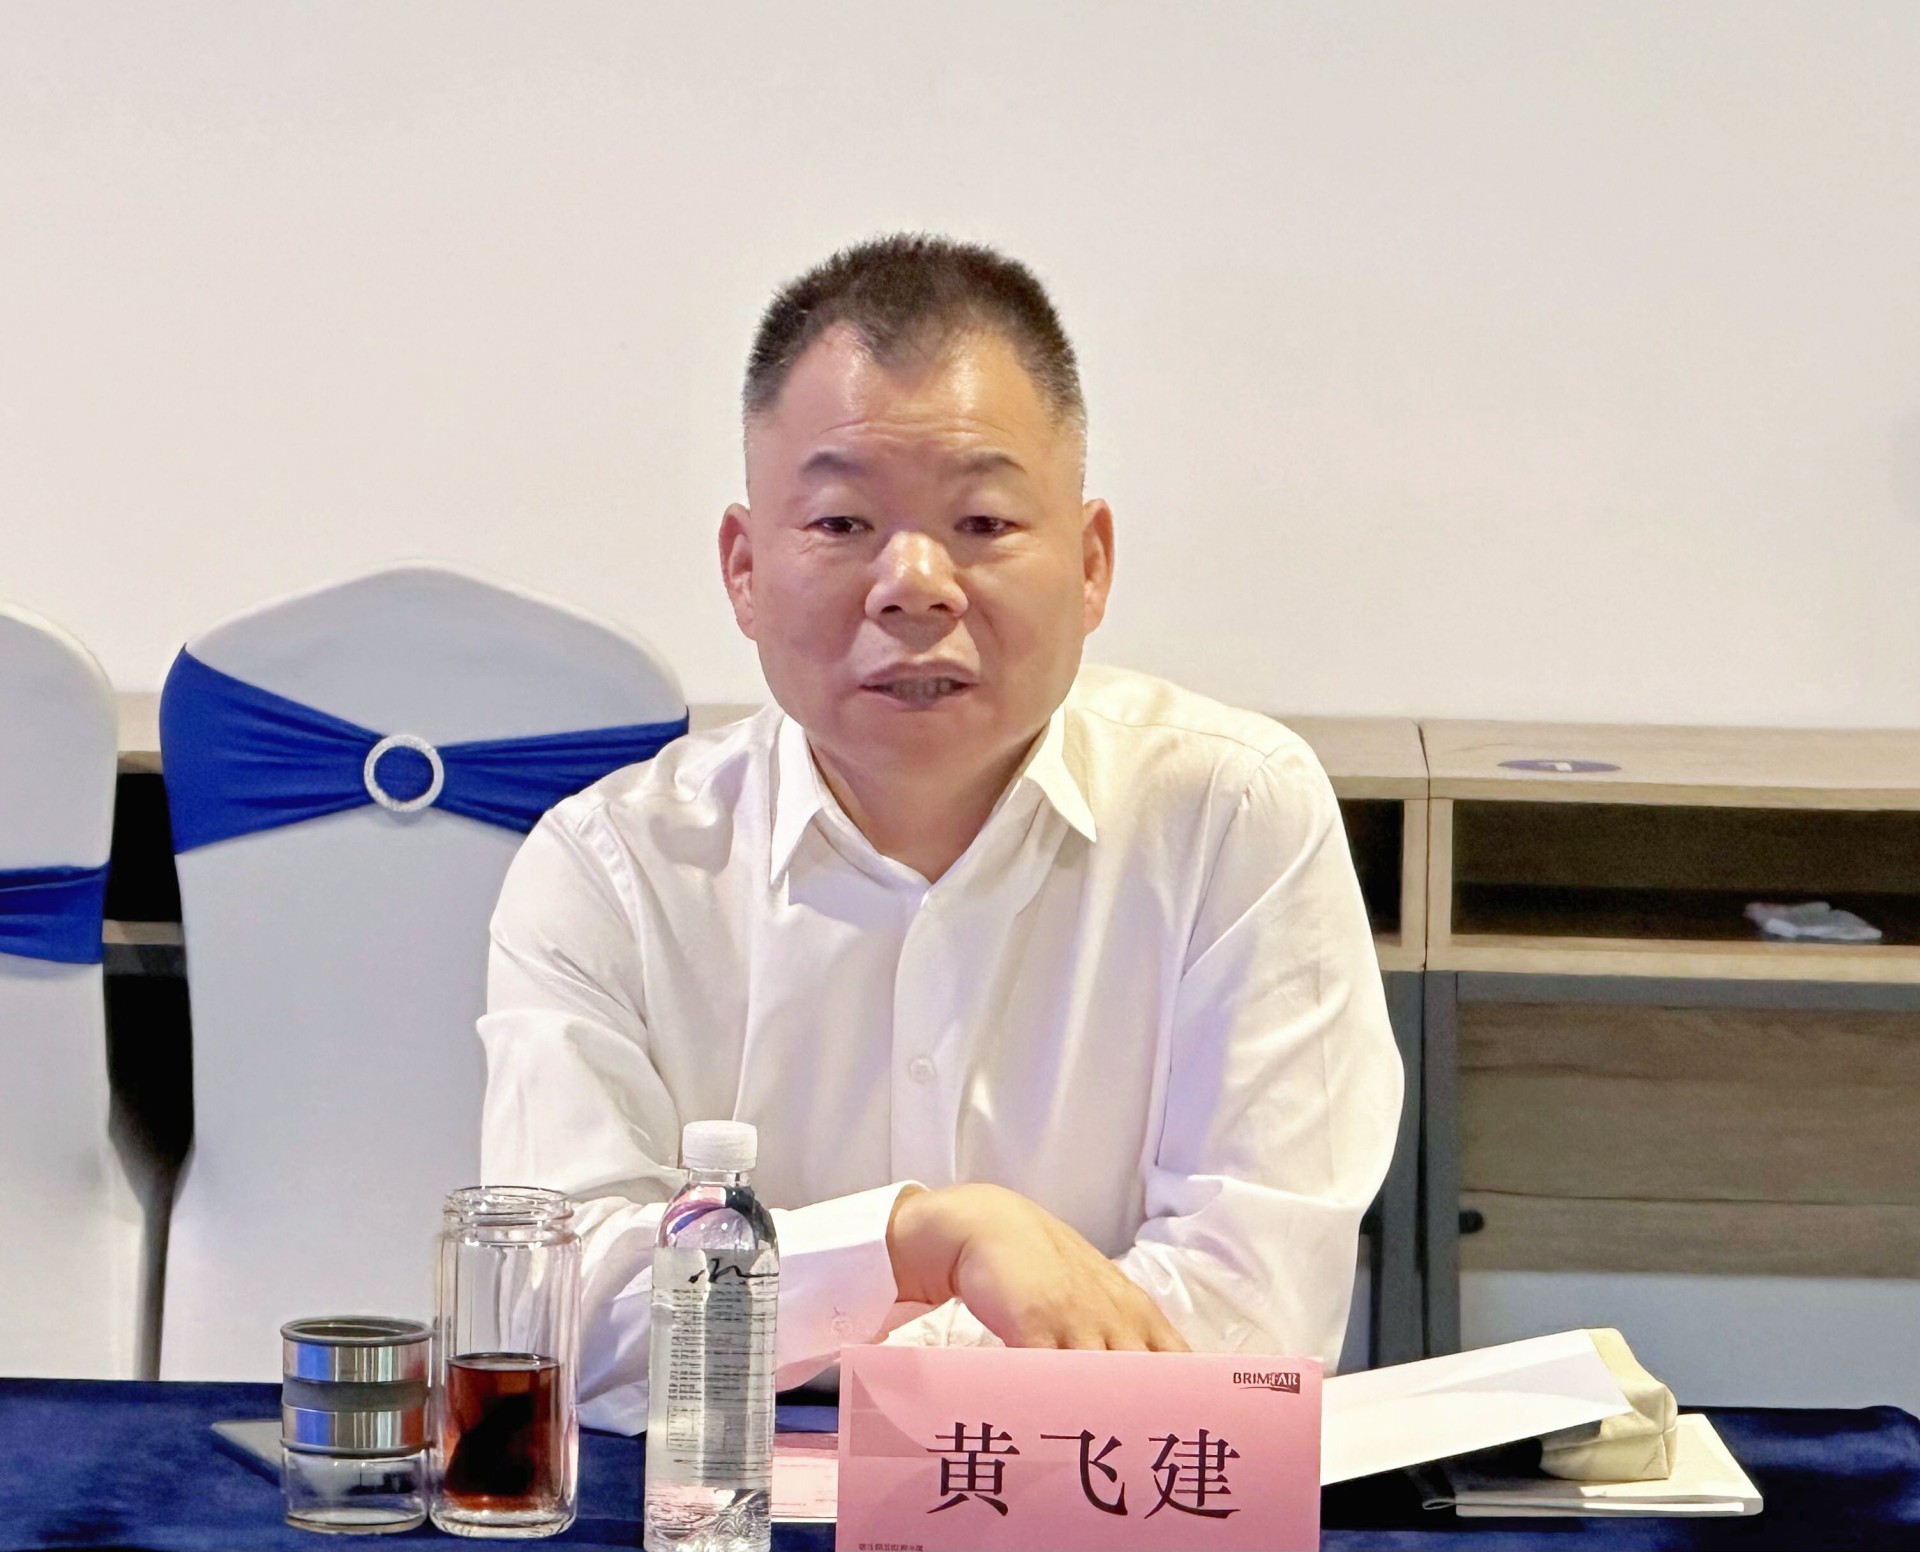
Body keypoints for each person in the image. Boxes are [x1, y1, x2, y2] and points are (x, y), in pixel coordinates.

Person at [479, 234, 1403, 1433]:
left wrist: (821, 1321)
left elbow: (1251, 1322)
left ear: (1091, 564)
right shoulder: (610, 870)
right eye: (842, 522)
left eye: (982, 520)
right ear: (745, 569)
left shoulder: (1233, 817)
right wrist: (923, 1239)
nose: (915, 583)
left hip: (1087, 1506)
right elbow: (567, 1321)